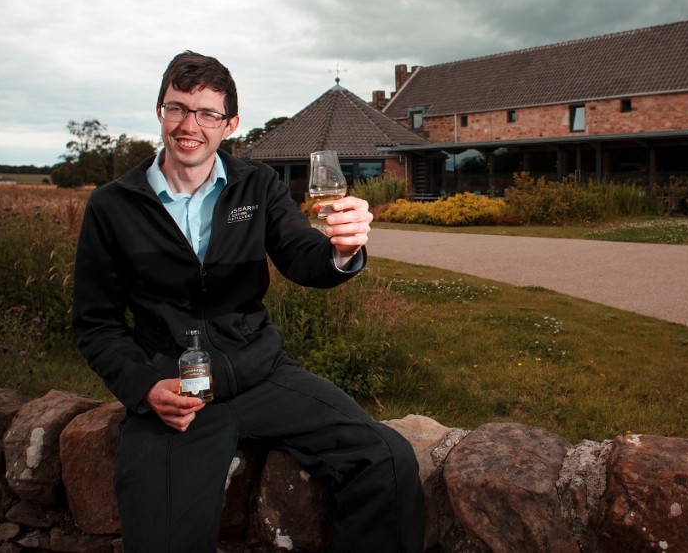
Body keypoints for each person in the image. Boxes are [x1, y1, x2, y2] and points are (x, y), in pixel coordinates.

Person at [72, 50, 425, 553]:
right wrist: (146, 387)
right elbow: (95, 323)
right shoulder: (111, 205)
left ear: (230, 123)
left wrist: (343, 251)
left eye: (208, 113)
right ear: (160, 112)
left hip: (262, 375)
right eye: (178, 109)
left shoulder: (257, 185)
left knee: (387, 459)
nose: (189, 125)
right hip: (179, 396)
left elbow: (304, 257)